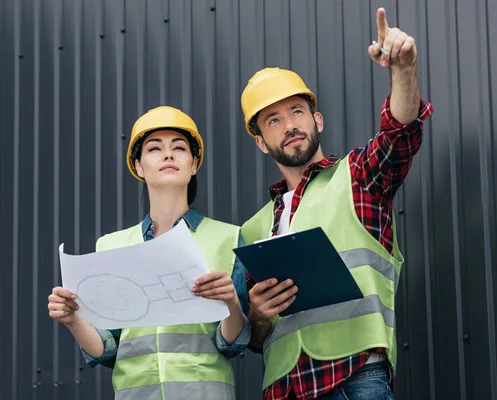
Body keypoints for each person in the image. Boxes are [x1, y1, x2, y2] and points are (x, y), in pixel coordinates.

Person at [239, 8, 434, 400]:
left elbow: (400, 135)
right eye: (273, 120)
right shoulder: (252, 230)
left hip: (353, 379)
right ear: (261, 142)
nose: (290, 124)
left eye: (297, 111)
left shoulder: (359, 176)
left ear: (318, 120)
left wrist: (404, 69)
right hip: (284, 390)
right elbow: (257, 339)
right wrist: (257, 317)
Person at [47, 106, 250, 400]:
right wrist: (73, 320)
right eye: (155, 148)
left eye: (179, 147)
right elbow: (108, 349)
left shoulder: (228, 237)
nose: (168, 155)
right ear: (139, 167)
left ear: (194, 164)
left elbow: (232, 343)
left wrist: (231, 302)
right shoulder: (111, 246)